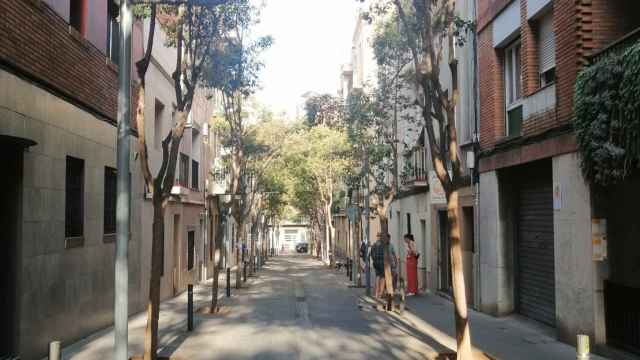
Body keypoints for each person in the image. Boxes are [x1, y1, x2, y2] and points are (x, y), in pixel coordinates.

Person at [370, 233, 398, 299]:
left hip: (377, 264)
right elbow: (388, 255)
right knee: (383, 278)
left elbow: (372, 254)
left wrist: (374, 261)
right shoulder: (384, 245)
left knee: (378, 277)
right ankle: (381, 293)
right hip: (384, 263)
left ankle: (377, 293)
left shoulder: (374, 245)